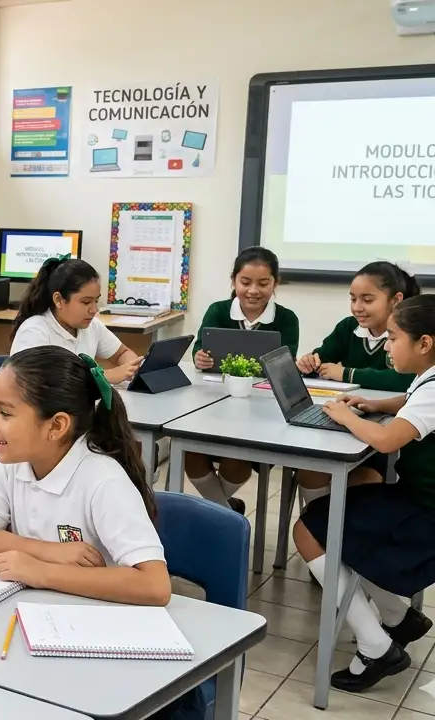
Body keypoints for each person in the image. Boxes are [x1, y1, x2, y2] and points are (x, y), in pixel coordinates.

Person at [0, 347, 170, 607]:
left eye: (5, 413)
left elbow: (155, 586)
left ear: (56, 426)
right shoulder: (13, 465)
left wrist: (40, 571)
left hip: (95, 621)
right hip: (39, 608)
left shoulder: (103, 481)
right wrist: (48, 552)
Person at [298, 295, 435, 692]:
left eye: (392, 338)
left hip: (425, 513)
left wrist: (342, 414)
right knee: (336, 520)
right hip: (419, 499)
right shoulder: (428, 377)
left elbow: (388, 440)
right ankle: (398, 617)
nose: (387, 346)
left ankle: (378, 648)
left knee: (310, 531)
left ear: (423, 343)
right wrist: (372, 403)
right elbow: (412, 400)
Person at [293, 262, 419, 505]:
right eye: (353, 299)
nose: (357, 308)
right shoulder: (348, 328)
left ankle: (337, 534)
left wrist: (347, 374)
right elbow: (323, 357)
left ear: (395, 300)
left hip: (383, 437)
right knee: (311, 471)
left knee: (364, 481)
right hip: (346, 425)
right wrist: (310, 362)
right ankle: (319, 528)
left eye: (367, 300)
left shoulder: (407, 335)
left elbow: (403, 380)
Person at [187, 247, 300, 514]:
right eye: (245, 282)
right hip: (213, 405)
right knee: (190, 453)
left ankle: (210, 512)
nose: (253, 291)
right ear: (233, 281)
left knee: (237, 458)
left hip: (260, 411)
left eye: (263, 283)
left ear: (276, 283)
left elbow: (285, 363)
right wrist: (199, 357)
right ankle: (225, 510)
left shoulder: (286, 319)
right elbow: (200, 349)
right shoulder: (217, 311)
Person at [9, 257, 143, 385]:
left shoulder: (91, 326)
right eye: (86, 302)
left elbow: (122, 353)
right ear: (58, 300)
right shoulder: (35, 331)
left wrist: (131, 368)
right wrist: (104, 377)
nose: (94, 310)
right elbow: (41, 384)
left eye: (96, 301)